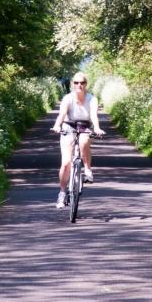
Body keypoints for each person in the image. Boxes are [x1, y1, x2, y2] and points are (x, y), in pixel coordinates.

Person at [51, 71, 104, 208]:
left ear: (86, 84)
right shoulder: (67, 98)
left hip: (84, 125)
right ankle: (62, 193)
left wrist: (97, 128)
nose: (79, 85)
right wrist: (57, 126)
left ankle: (87, 169)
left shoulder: (92, 99)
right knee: (66, 163)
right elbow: (62, 114)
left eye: (82, 82)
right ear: (72, 84)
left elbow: (93, 115)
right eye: (76, 82)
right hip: (68, 126)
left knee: (84, 141)